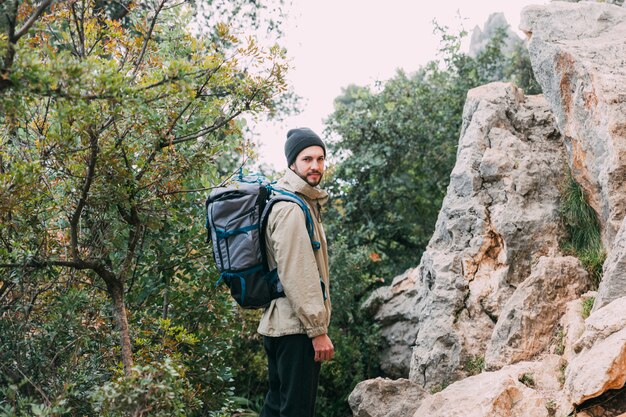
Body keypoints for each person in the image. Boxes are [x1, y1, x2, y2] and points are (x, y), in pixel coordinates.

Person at [258, 127, 334, 417]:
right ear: (292, 163)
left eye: (320, 158)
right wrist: (317, 330)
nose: (315, 166)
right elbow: (296, 272)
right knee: (296, 410)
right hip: (296, 328)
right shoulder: (290, 207)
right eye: (307, 159)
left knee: (277, 407)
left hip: (283, 324)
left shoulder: (297, 201)